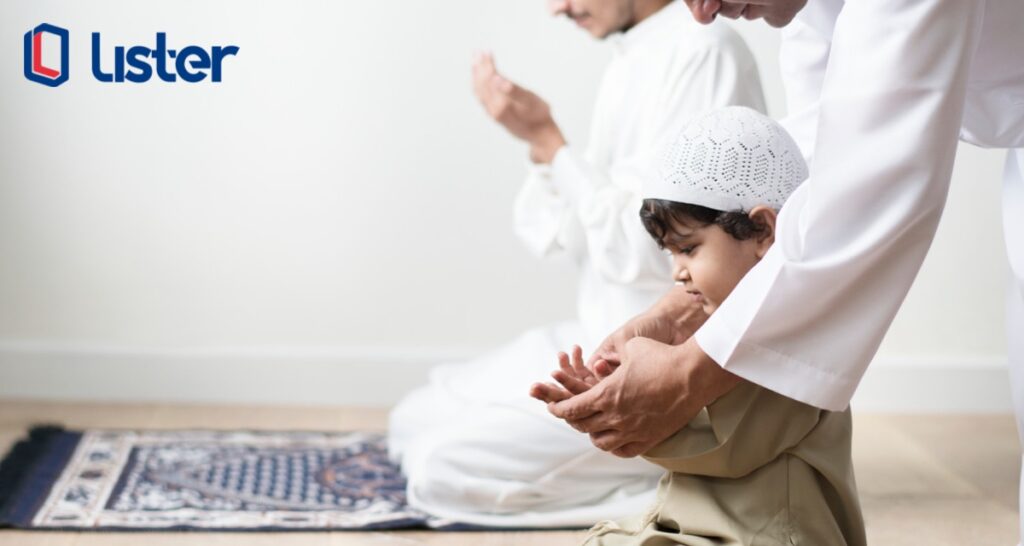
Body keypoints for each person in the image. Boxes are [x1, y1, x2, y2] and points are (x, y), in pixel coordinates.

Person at [543, 0, 1024, 540]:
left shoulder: (780, 353)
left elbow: (861, 197)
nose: (703, 14)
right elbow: (809, 176)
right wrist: (671, 327)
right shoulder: (812, 17)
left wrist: (654, 394)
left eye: (690, 250)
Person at [387, 0, 765, 528]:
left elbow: (655, 249)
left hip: (660, 361)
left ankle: (687, 488)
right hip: (595, 334)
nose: (558, 8)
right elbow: (572, 233)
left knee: (440, 470)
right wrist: (544, 151)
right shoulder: (631, 58)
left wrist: (551, 142)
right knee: (413, 419)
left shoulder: (704, 52)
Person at [534, 106, 865, 545]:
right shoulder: (715, 322)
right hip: (699, 526)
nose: (677, 272)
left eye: (689, 249)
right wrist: (612, 392)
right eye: (671, 253)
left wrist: (626, 412)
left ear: (764, 230)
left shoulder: (783, 338)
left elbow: (723, 449)